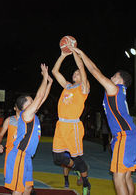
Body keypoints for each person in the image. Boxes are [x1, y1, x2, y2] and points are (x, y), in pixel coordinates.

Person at [71, 46, 136, 195]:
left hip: (125, 137)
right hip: (129, 136)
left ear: (119, 79)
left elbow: (94, 70)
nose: (111, 77)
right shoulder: (120, 92)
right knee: (127, 175)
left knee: (118, 176)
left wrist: (81, 52)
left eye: (114, 76)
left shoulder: (114, 88)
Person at [4, 64, 52, 195]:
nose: (34, 101)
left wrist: (50, 83)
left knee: (28, 188)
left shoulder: (32, 113)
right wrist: (45, 76)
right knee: (18, 190)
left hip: (27, 157)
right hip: (19, 154)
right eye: (31, 100)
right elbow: (40, 95)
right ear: (24, 105)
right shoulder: (26, 114)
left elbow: (43, 96)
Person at [51, 49, 91, 194]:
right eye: (74, 73)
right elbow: (55, 72)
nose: (76, 73)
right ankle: (78, 170)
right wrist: (62, 55)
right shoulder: (68, 86)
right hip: (60, 125)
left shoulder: (83, 88)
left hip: (72, 126)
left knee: (77, 157)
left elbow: (81, 67)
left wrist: (74, 51)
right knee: (57, 158)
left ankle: (86, 183)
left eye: (78, 73)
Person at [0, 104, 21, 176]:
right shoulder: (9, 120)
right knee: (11, 178)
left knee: (26, 183)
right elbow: (0, 135)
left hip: (24, 153)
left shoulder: (29, 121)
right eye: (19, 105)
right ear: (15, 108)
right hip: (11, 153)